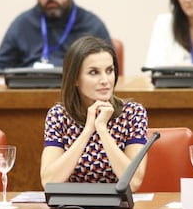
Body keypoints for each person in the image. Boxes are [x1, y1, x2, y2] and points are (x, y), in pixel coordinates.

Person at [40, 36, 148, 192]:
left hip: (119, 208)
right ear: (75, 79)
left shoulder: (132, 113)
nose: (105, 80)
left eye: (109, 71)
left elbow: (134, 182)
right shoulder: (59, 116)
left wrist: (102, 129)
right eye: (93, 72)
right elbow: (49, 182)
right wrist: (88, 130)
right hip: (73, 207)